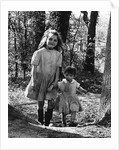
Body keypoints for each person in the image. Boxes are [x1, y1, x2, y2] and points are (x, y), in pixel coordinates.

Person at [25, 29, 63, 126]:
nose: (52, 42)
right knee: (40, 101)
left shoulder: (58, 54)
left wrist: (55, 81)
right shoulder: (39, 52)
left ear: (57, 42)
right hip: (40, 80)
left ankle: (47, 123)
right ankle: (40, 121)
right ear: (45, 39)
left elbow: (57, 69)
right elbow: (33, 68)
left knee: (51, 102)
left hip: (51, 81)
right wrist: (33, 81)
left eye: (55, 40)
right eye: (50, 39)